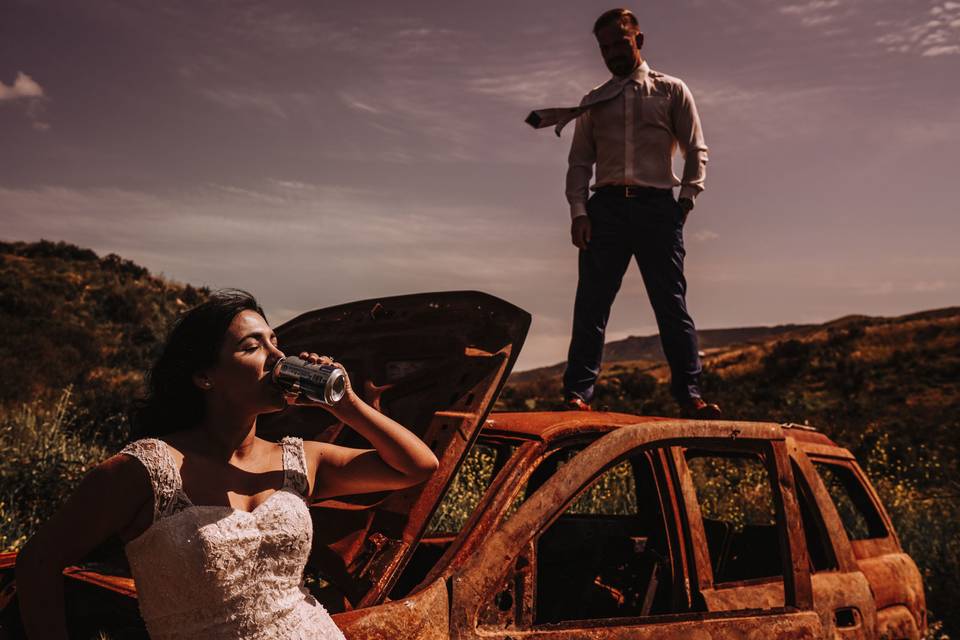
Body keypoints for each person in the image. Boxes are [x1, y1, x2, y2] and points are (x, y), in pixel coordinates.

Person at [16, 289, 439, 639]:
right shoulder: (145, 470)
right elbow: (38, 562)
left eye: (276, 342)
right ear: (205, 376)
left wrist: (345, 403)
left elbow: (416, 466)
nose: (277, 357)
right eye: (253, 346)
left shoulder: (298, 459)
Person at [557, 8, 720, 416]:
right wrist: (579, 211)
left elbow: (696, 148)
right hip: (605, 210)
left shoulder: (672, 90)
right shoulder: (593, 101)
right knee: (591, 305)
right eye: (604, 47)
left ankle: (691, 397)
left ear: (639, 40)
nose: (612, 53)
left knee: (671, 304)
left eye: (620, 43)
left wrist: (685, 202)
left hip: (657, 209)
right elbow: (579, 162)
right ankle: (577, 395)